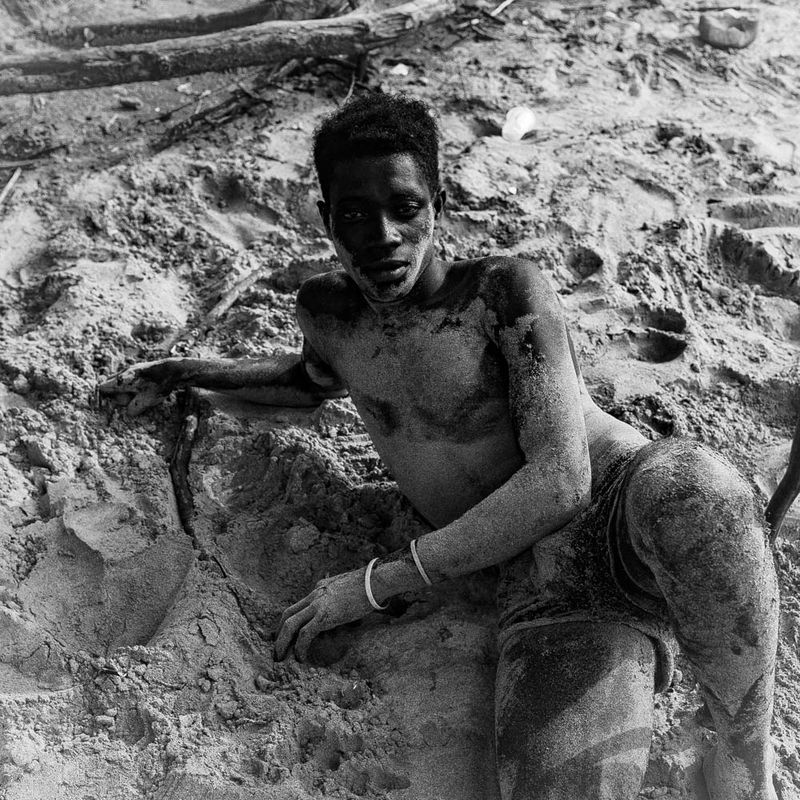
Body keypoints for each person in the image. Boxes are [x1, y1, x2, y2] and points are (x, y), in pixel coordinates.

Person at [99, 93, 781, 800]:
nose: (383, 235)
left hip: (619, 503)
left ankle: (740, 767)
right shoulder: (329, 314)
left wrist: (375, 583)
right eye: (356, 215)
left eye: (405, 207)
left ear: (438, 204)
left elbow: (561, 483)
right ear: (326, 220)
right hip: (547, 589)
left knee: (699, 490)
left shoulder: (501, 292)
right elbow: (304, 383)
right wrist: (181, 374)